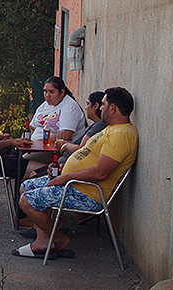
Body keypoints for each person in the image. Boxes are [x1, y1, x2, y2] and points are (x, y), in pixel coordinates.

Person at [13, 87, 137, 259]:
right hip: (75, 184)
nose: (100, 108)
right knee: (26, 186)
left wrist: (67, 176)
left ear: (113, 108)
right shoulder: (111, 129)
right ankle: (44, 240)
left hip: (87, 192)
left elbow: (101, 173)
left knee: (26, 201)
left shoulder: (121, 135)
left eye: (103, 104)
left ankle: (58, 238)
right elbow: (86, 155)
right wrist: (63, 169)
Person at [24, 76, 87, 173]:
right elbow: (31, 127)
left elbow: (65, 134)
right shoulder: (44, 105)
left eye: (51, 92)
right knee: (23, 163)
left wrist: (38, 143)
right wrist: (24, 140)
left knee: (23, 160)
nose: (47, 95)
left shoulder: (69, 106)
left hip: (55, 150)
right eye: (45, 91)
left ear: (62, 92)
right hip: (36, 148)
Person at [58, 91, 107, 164]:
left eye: (88, 104)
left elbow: (82, 148)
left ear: (95, 106)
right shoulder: (95, 125)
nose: (86, 108)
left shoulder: (99, 125)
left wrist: (66, 145)